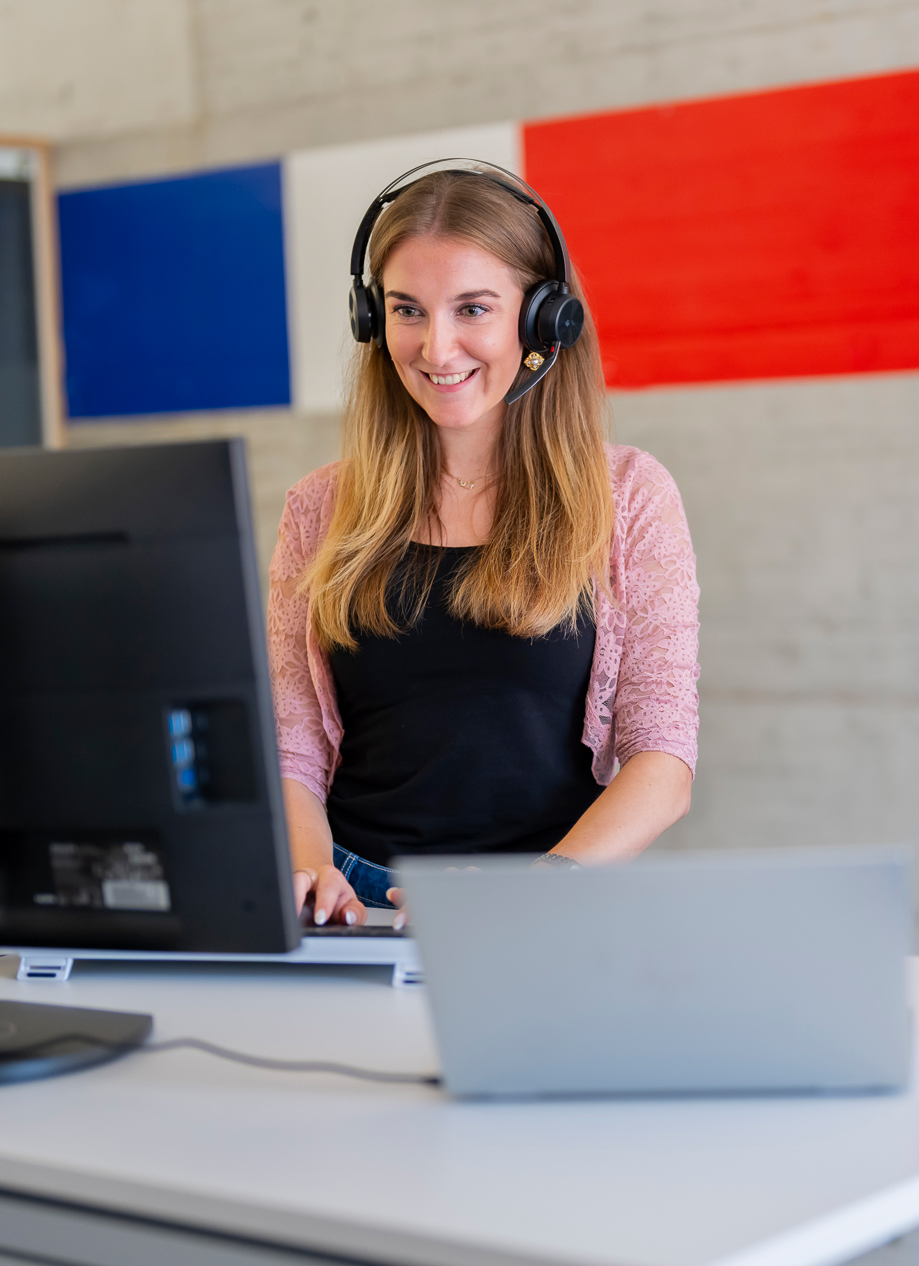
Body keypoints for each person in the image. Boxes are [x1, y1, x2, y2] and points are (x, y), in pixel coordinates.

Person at [267, 164, 699, 928]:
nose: (437, 347)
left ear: (544, 320)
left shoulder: (629, 496)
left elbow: (661, 760)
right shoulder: (318, 509)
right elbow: (292, 750)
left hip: (550, 900)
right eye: (406, 310)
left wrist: (538, 888)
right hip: (357, 907)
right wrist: (312, 870)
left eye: (472, 308)